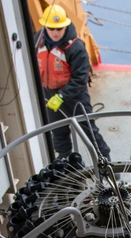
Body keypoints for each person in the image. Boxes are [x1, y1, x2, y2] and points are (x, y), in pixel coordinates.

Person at [35, 4, 111, 160]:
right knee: (58, 133)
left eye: (59, 29)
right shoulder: (37, 41)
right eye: (51, 28)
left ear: (65, 26)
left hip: (75, 97)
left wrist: (62, 96)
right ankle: (66, 163)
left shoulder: (75, 47)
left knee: (88, 130)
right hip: (50, 94)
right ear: (45, 27)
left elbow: (80, 78)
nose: (55, 33)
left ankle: (105, 162)